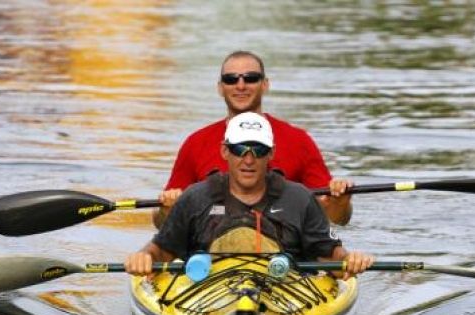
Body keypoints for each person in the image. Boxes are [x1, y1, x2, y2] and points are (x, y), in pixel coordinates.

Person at [126, 112, 372, 277]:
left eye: (259, 149)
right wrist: (144, 257)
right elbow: (160, 250)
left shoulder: (300, 199)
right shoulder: (196, 198)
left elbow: (331, 256)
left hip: (286, 292)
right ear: (225, 151)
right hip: (205, 294)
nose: (249, 159)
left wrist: (350, 260)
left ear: (271, 153)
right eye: (240, 149)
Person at [153, 50, 353, 228]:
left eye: (250, 78)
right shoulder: (195, 143)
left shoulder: (299, 141)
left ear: (265, 84)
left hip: (283, 256)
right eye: (231, 79)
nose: (240, 86)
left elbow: (338, 218)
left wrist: (341, 202)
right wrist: (165, 210)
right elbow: (161, 222)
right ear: (220, 88)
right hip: (212, 254)